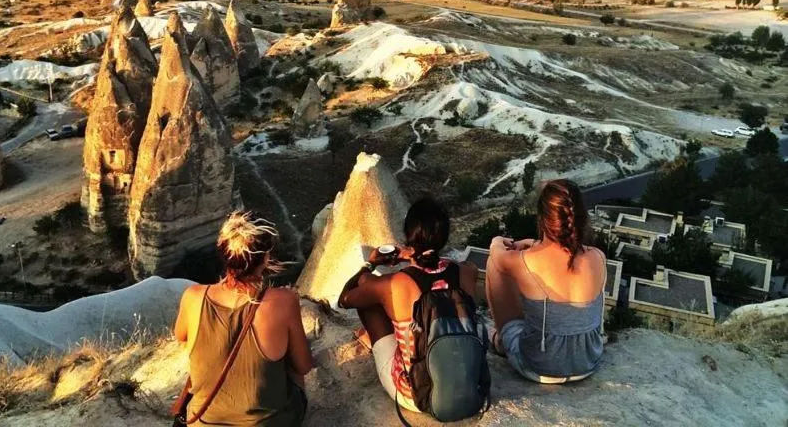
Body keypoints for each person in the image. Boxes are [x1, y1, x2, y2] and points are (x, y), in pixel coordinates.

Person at [337, 197, 480, 414]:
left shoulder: (396, 284)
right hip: (468, 386)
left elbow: (345, 298)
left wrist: (371, 263)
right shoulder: (466, 272)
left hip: (416, 394)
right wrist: (417, 257)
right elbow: (450, 269)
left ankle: (373, 341)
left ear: (408, 237)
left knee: (369, 295)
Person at [174, 212, 313, 425]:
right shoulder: (284, 301)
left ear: (223, 253)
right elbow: (303, 366)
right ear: (266, 257)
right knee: (289, 356)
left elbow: (181, 336)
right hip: (267, 423)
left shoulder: (193, 297)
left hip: (203, 422)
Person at [485, 179, 607, 384]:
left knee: (493, 264)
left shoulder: (523, 261)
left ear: (543, 219)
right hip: (588, 362)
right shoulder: (598, 257)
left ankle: (501, 343)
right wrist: (533, 244)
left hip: (538, 366)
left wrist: (497, 241)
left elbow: (497, 255)